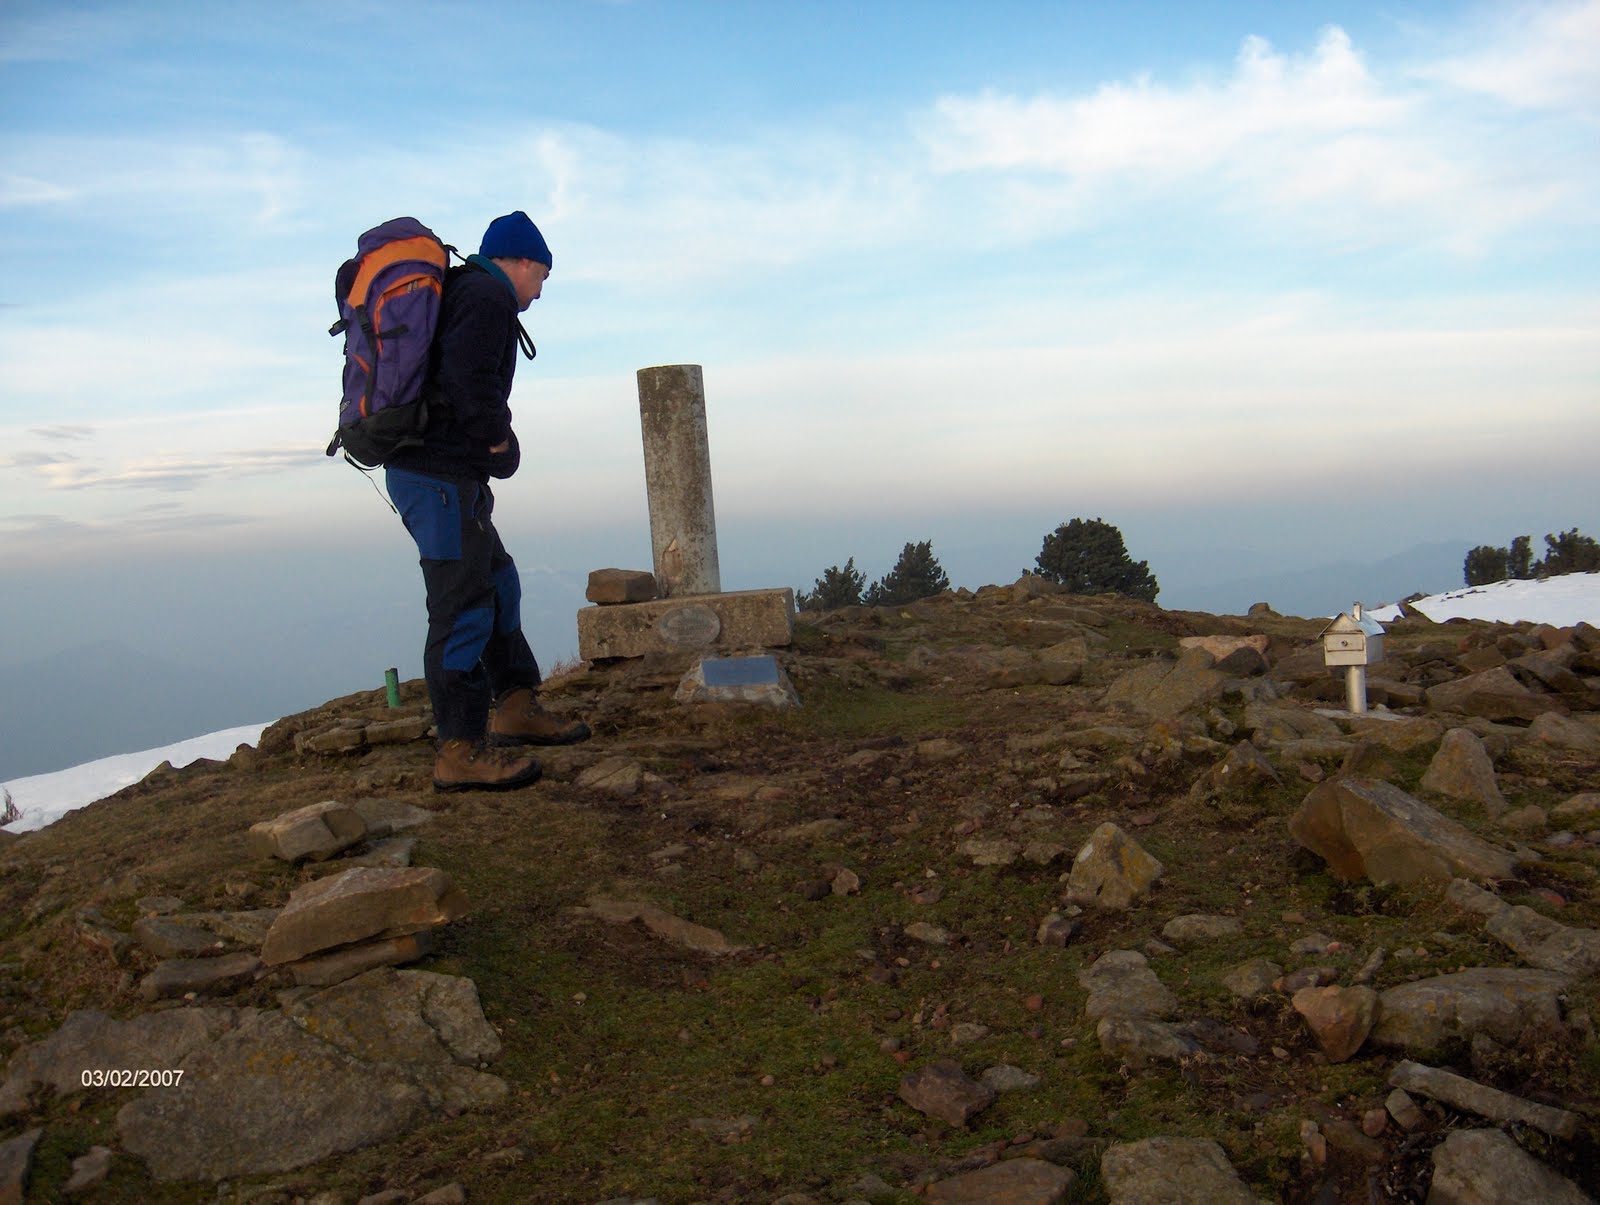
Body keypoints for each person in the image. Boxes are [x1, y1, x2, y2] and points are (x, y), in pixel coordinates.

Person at [384, 210, 591, 792]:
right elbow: (468, 382)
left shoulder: (467, 292)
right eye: (542, 278)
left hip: (446, 476)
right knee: (463, 604)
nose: (540, 291)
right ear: (522, 261)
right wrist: (499, 440)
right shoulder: (485, 296)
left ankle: (516, 705)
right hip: (437, 476)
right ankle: (459, 748)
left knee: (496, 584)